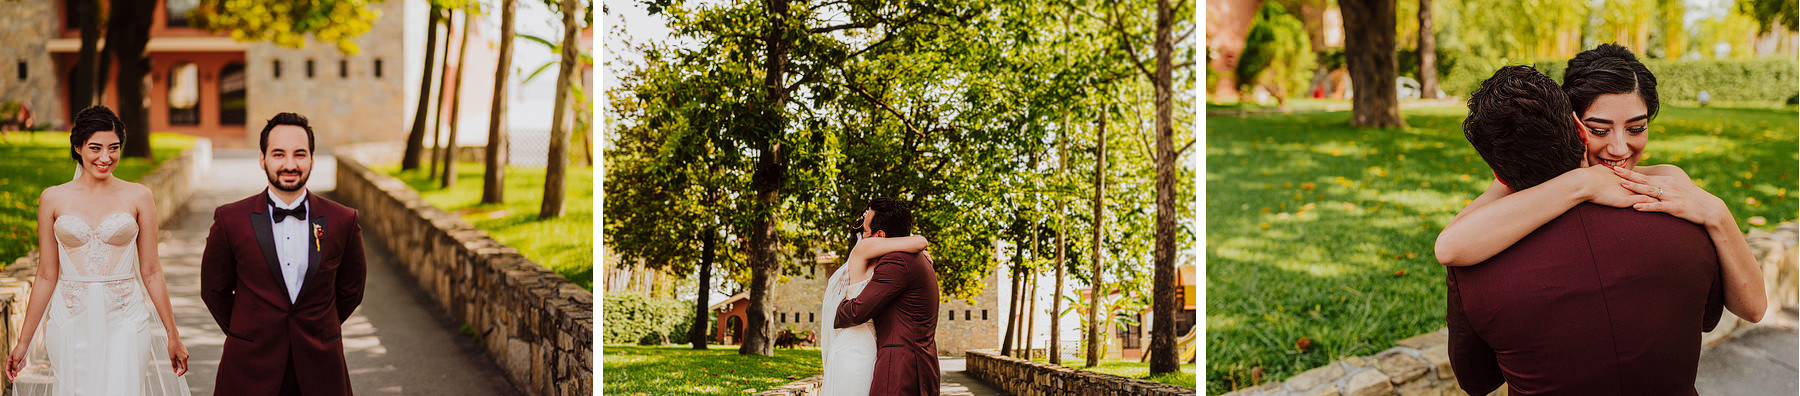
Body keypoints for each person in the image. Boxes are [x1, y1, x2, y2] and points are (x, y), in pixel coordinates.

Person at [1435, 43, 1767, 323]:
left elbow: (1752, 309)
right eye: (1599, 129)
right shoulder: (1537, 189)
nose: (1620, 148)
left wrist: (1717, 212)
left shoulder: (1664, 183)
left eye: (1636, 128)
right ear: (1574, 126)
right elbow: (1451, 246)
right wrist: (1584, 183)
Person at [1447, 65, 1727, 395]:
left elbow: (1477, 381)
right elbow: (1708, 319)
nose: (1619, 148)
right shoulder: (1681, 212)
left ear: (1499, 174)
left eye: (1636, 127)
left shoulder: (1475, 259)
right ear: (1580, 130)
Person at [5, 105, 191, 395]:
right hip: (70, 319)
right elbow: (45, 275)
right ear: (77, 147)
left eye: (114, 148)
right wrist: (23, 342)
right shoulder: (53, 199)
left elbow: (152, 271)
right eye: (95, 148)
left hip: (126, 319)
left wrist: (173, 335)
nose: (106, 158)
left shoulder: (139, 196)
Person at [201, 112, 368, 395]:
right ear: (262, 159)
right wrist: (249, 329)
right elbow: (214, 289)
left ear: (312, 160)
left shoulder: (343, 220)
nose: (290, 164)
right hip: (249, 368)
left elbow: (351, 289)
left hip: (320, 368)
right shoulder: (230, 220)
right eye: (278, 154)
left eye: (299, 154)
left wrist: (317, 325)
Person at [833, 198, 942, 396]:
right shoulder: (916, 257)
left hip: (900, 369)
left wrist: (840, 308)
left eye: (865, 231)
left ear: (879, 235)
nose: (862, 236)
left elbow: (856, 312)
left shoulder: (897, 261)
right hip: (919, 365)